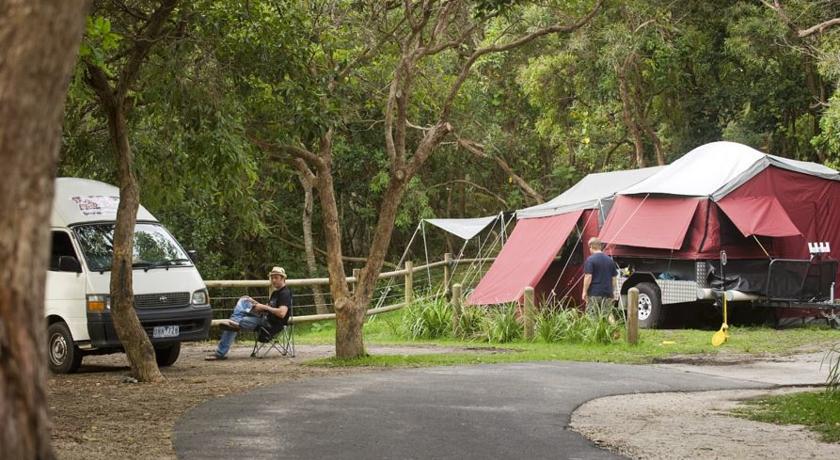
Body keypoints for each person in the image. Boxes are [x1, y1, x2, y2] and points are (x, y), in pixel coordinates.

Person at [206, 266, 293, 360]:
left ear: (283, 278)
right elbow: (268, 308)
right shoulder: (275, 293)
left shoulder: (285, 293)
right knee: (244, 300)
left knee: (232, 324)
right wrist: (255, 303)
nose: (273, 280)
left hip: (270, 324)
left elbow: (282, 313)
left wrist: (263, 307)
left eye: (276, 278)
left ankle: (220, 352)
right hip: (263, 317)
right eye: (272, 278)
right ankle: (236, 322)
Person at [582, 237, 618, 317]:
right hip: (607, 293)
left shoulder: (590, 260)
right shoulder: (610, 260)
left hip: (594, 293)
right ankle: (615, 328)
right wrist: (612, 291)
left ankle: (593, 330)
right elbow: (614, 279)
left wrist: (584, 291)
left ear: (591, 246)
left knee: (591, 316)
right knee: (608, 315)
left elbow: (588, 276)